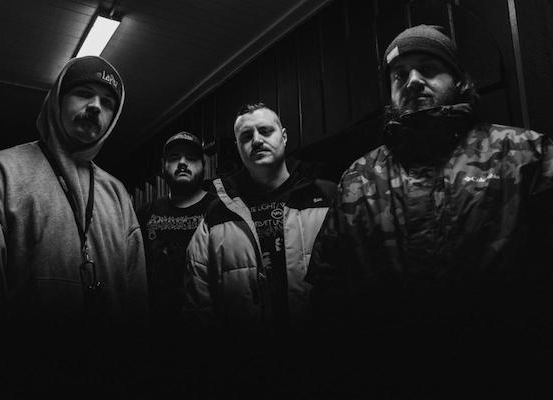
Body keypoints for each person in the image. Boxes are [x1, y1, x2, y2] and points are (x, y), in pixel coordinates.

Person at [306, 25, 553, 396]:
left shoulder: (524, 154)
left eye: (428, 68)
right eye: (399, 75)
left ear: (458, 80)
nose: (413, 80)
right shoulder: (359, 177)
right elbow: (328, 297)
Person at [0, 56, 149, 397]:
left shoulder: (117, 194)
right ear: (57, 99)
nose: (95, 106)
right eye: (83, 93)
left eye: (107, 103)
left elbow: (135, 303)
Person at [183, 103, 336, 334]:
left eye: (265, 131)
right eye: (246, 136)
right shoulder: (216, 215)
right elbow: (198, 303)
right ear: (238, 148)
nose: (256, 140)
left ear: (284, 137)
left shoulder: (326, 195)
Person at [137, 131, 216, 328]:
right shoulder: (144, 214)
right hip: (156, 326)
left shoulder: (220, 210)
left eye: (191, 158)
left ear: (203, 165)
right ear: (163, 166)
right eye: (174, 158)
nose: (182, 163)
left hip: (209, 326)